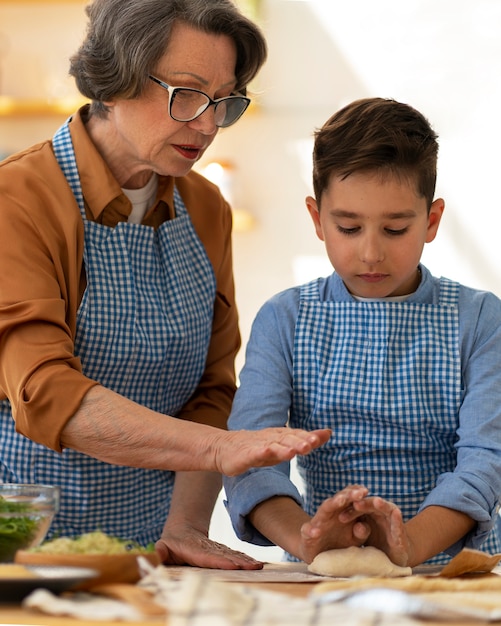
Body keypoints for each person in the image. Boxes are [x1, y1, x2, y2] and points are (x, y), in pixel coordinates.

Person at [0, 0, 332, 570]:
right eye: (187, 93)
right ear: (115, 79)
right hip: (23, 550)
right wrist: (221, 448)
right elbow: (45, 393)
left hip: (151, 556)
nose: (207, 124)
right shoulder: (19, 200)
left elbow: (210, 388)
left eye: (224, 101)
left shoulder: (204, 207)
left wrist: (185, 527)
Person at [224, 97, 501, 568]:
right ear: (317, 218)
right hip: (326, 570)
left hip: (452, 571)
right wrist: (308, 538)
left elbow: (485, 459)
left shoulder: (479, 319)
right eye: (348, 227)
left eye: (395, 229)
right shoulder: (285, 319)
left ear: (432, 220)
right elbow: (252, 460)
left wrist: (406, 545)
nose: (371, 253)